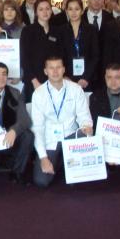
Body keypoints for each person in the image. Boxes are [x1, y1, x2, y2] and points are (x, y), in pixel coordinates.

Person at [31, 56, 93, 188]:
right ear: (45, 71)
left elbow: (84, 116)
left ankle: (66, 162)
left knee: (76, 182)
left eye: (58, 67)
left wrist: (87, 127)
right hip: (50, 140)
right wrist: (43, 158)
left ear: (64, 69)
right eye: (51, 68)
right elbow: (37, 127)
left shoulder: (76, 89)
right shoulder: (38, 93)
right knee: (41, 181)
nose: (55, 71)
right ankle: (60, 161)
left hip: (71, 137)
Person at [20, 0, 63, 102]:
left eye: (47, 9)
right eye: (41, 9)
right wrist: (34, 80)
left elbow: (61, 55)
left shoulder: (57, 31)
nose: (45, 12)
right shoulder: (28, 31)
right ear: (36, 12)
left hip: (54, 80)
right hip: (34, 81)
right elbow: (24, 57)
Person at [58, 0, 99, 91]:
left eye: (77, 9)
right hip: (67, 78)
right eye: (70, 9)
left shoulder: (91, 30)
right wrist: (64, 75)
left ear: (82, 10)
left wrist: (86, 77)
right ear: (66, 11)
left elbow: (95, 56)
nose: (73, 12)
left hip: (88, 78)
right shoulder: (60, 31)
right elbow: (59, 55)